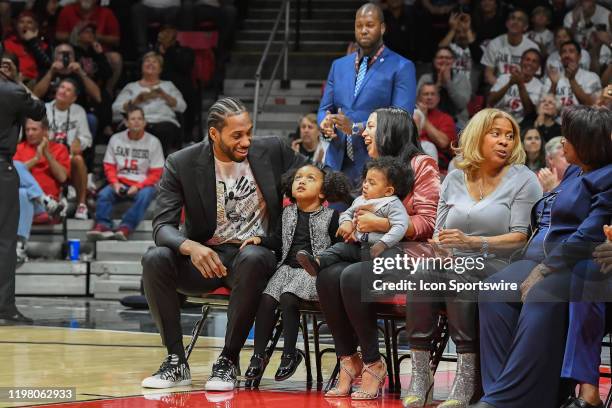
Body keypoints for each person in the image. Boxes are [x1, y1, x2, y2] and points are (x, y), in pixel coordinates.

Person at [140, 97, 308, 390]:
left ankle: (227, 361)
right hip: (207, 258)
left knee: (253, 257)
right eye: (237, 135)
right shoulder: (182, 163)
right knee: (155, 258)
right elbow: (162, 226)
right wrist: (190, 247)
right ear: (214, 134)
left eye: (249, 132)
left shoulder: (272, 150)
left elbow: (318, 176)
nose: (247, 141)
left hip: (256, 257)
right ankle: (176, 361)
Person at [472, 106, 612, 408]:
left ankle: (518, 399)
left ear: (585, 143)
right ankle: (497, 392)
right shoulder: (575, 169)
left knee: (541, 293)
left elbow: (587, 235)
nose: (562, 144)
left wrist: (545, 269)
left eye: (568, 139)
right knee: (493, 290)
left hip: (571, 265)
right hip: (538, 258)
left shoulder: (607, 178)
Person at [403, 108, 542, 408]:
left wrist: (472, 242)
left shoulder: (523, 179)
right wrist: (442, 248)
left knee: (459, 274)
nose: (504, 141)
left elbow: (521, 237)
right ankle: (420, 374)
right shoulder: (454, 178)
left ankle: (467, 375)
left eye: (509, 136)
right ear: (477, 136)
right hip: (457, 260)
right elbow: (438, 232)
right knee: (423, 272)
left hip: (502, 264)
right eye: (496, 134)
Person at [313, 107, 439, 400]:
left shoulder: (422, 164)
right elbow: (358, 207)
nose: (363, 132)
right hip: (371, 250)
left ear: (390, 130)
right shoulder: (375, 166)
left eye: (369, 126)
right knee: (328, 276)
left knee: (352, 277)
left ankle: (372, 363)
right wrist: (350, 223)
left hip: (410, 254)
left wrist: (382, 223)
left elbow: (429, 222)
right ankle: (348, 359)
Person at [241, 164, 351, 382]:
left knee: (288, 298)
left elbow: (339, 247)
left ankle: (289, 354)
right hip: (285, 269)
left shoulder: (332, 216)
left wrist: (326, 265)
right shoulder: (287, 213)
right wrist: (261, 240)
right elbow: (279, 242)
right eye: (298, 177)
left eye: (310, 178)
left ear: (322, 191)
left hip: (312, 272)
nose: (301, 181)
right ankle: (258, 355)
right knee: (266, 300)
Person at [318, 2, 416, 186]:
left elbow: (401, 119)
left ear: (382, 27)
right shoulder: (338, 65)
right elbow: (324, 108)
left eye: (369, 25)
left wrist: (356, 127)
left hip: (378, 165)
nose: (363, 30)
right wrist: (324, 123)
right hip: (336, 162)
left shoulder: (402, 66)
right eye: (359, 25)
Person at [298, 156, 410, 277]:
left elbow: (400, 226)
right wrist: (346, 222)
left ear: (388, 191)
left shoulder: (392, 203)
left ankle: (388, 284)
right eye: (365, 181)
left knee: (393, 257)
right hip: (361, 247)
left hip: (385, 249)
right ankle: (317, 263)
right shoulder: (360, 200)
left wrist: (383, 244)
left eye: (372, 183)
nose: (365, 185)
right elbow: (347, 213)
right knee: (340, 248)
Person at [0, 67, 46, 325]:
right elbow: (39, 111)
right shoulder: (12, 90)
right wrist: (17, 82)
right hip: (1, 169)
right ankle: (4, 307)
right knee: (5, 242)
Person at [87, 107, 163, 241]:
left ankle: (126, 227)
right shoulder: (116, 139)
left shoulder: (153, 142)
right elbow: (109, 166)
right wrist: (115, 183)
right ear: (126, 123)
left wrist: (139, 186)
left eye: (140, 119)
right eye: (133, 119)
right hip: (120, 181)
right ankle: (103, 225)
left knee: (145, 195)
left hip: (143, 184)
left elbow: (156, 172)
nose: (137, 122)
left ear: (145, 122)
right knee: (104, 194)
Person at [112, 51, 186, 157]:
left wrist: (165, 95)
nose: (150, 63)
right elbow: (116, 108)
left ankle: (159, 165)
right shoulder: (131, 86)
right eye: (147, 61)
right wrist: (136, 100)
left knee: (165, 130)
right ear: (142, 66)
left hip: (163, 122)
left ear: (160, 69)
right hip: (137, 122)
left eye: (154, 62)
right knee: (131, 128)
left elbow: (182, 107)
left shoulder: (168, 85)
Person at [45, 78, 92, 220]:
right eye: (61, 87)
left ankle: (81, 205)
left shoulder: (79, 111)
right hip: (50, 155)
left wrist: (79, 142)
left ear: (74, 98)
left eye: (68, 90)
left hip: (69, 155)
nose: (63, 91)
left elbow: (87, 138)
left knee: (78, 159)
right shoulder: (44, 108)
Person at [481, 9, 538, 87]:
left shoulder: (532, 47)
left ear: (525, 27)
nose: (515, 22)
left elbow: (534, 77)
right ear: (507, 24)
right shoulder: (495, 43)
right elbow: (488, 74)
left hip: (523, 88)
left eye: (519, 20)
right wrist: (501, 88)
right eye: (512, 18)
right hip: (498, 87)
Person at [487, 48, 544, 125]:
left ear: (538, 67)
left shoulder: (539, 86)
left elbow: (530, 112)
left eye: (534, 61)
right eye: (527, 59)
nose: (530, 63)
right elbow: (491, 101)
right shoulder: (504, 78)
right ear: (521, 62)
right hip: (497, 120)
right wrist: (509, 84)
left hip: (520, 124)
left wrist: (520, 84)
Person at [418, 46, 471, 128]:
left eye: (448, 58)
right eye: (440, 57)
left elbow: (461, 104)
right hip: (430, 120)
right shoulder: (426, 78)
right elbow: (419, 103)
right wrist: (438, 85)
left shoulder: (461, 78)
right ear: (434, 60)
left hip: (457, 122)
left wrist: (448, 83)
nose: (444, 60)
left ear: (453, 61)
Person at [543, 40, 602, 108]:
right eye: (563, 52)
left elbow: (593, 104)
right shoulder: (552, 78)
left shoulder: (592, 77)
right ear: (560, 57)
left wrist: (572, 79)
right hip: (557, 118)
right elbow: (544, 107)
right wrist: (553, 85)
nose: (567, 55)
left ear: (579, 56)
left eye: (571, 51)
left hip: (581, 118)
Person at [3, 11, 51, 84]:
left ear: (36, 27)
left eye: (29, 22)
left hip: (34, 83)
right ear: (16, 26)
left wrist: (33, 42)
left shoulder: (43, 46)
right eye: (21, 22)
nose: (25, 25)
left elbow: (47, 66)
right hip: (10, 80)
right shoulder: (7, 43)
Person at [417, 82, 456, 171]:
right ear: (418, 98)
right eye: (425, 94)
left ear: (438, 98)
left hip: (439, 168)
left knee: (429, 147)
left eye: (432, 94)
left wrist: (424, 119)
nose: (429, 97)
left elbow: (443, 143)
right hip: (413, 162)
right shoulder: (411, 116)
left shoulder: (446, 118)